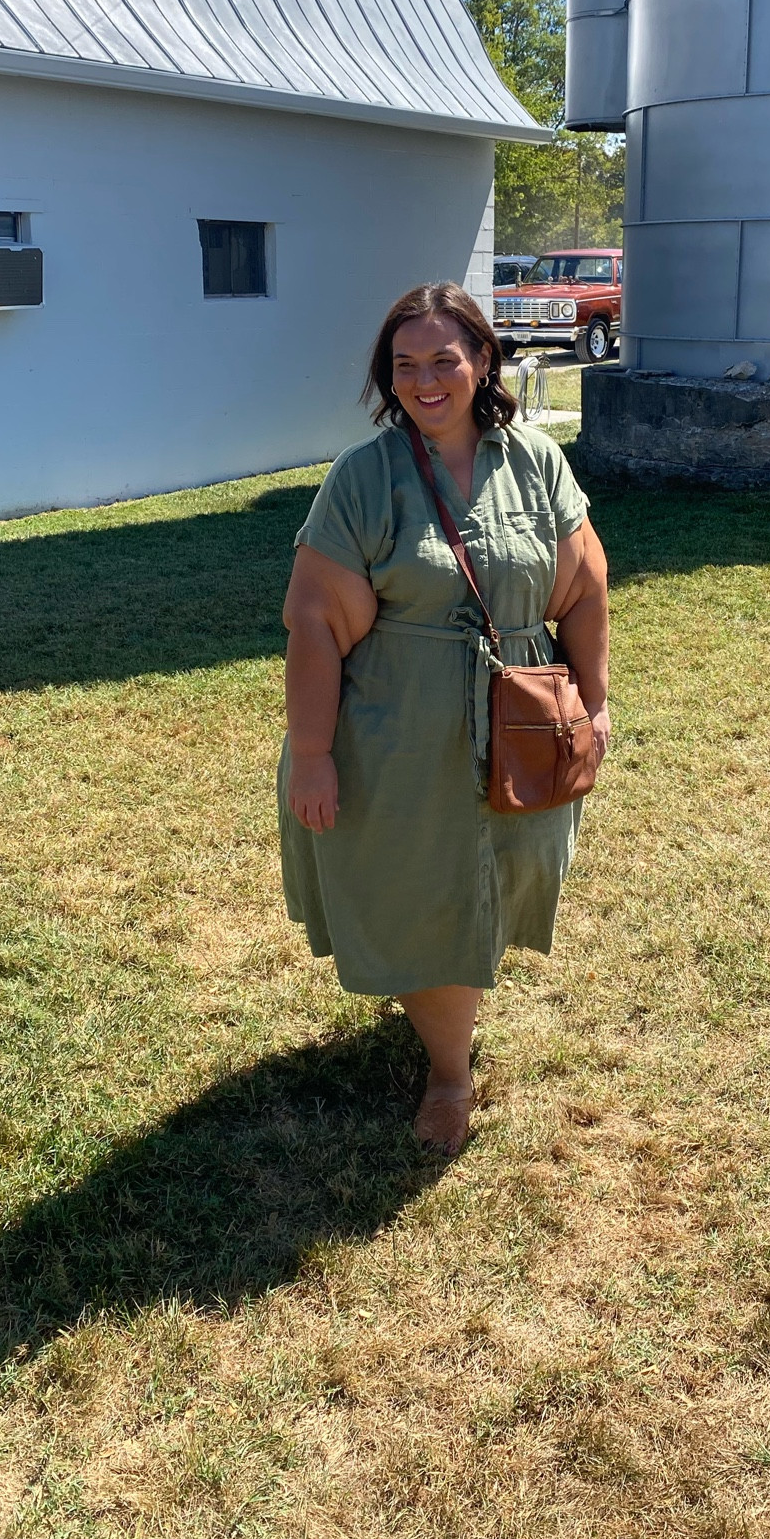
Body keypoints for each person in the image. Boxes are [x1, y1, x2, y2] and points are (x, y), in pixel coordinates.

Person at [277, 282, 610, 1155]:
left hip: (520, 720)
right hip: (397, 728)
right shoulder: (365, 477)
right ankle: (449, 1075)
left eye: (443, 360)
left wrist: (596, 705)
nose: (426, 381)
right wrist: (313, 753)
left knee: (501, 873)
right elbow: (314, 619)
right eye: (405, 365)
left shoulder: (536, 459)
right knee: (420, 888)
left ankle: (440, 1013)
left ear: (482, 361)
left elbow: (584, 588)